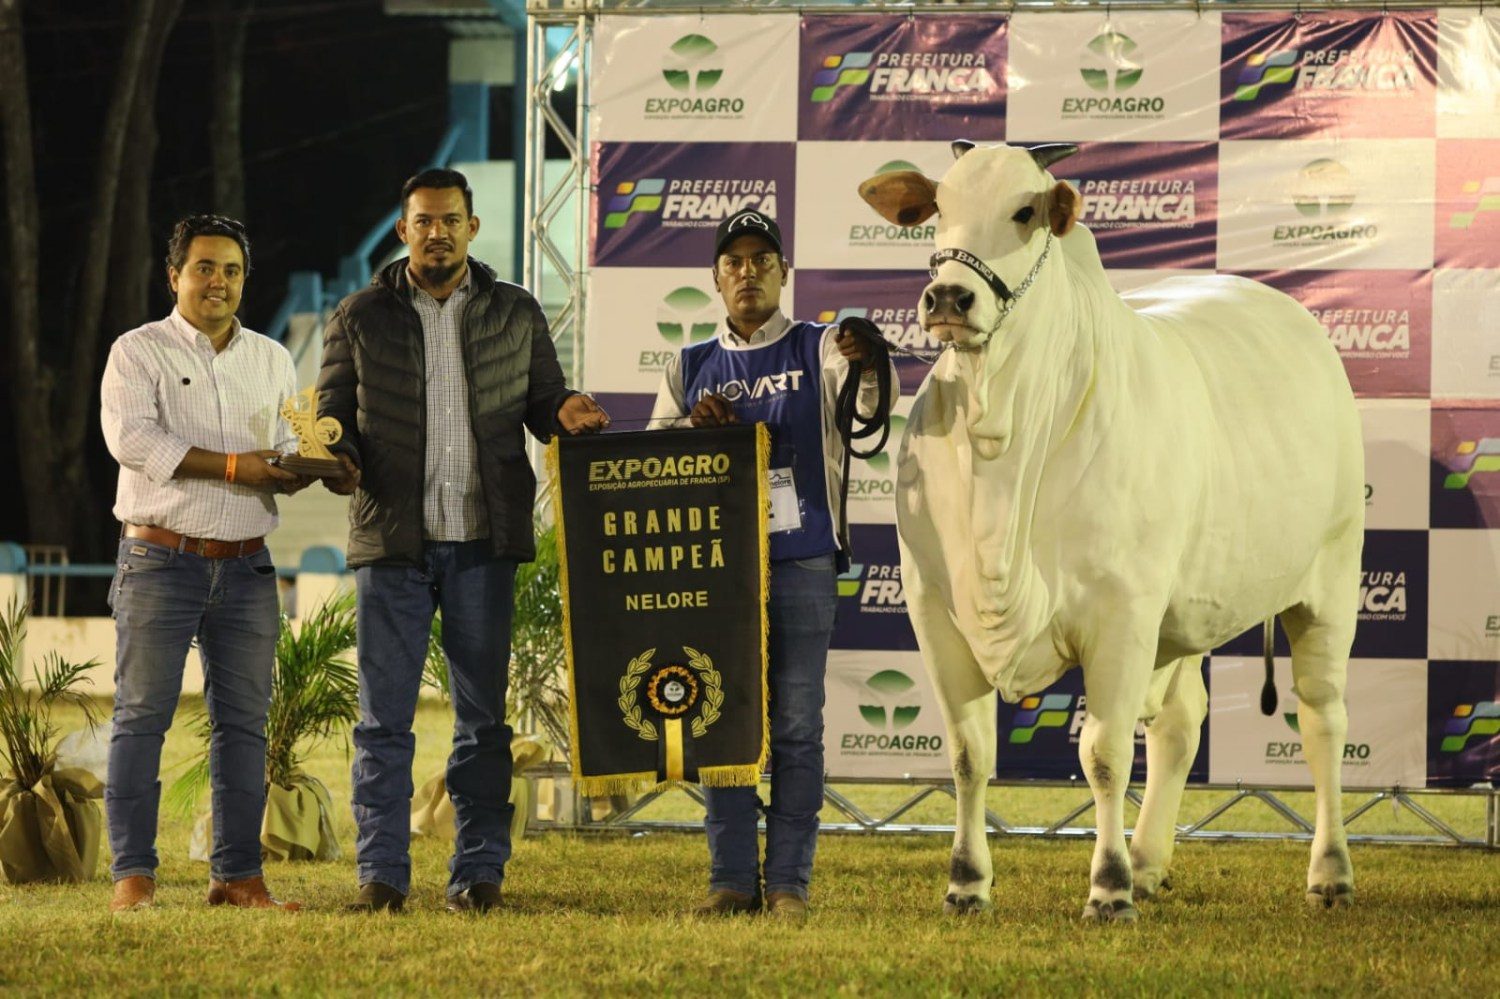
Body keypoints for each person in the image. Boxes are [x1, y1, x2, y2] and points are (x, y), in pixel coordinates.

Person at [316, 167, 609, 914]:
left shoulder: (516, 311)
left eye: (450, 219)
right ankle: (382, 876)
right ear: (403, 229)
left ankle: (479, 873)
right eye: (424, 220)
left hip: (485, 541)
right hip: (394, 546)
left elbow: (545, 399)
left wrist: (567, 409)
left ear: (472, 228)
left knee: (484, 724)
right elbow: (331, 416)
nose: (437, 231)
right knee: (384, 722)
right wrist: (335, 456)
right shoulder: (357, 315)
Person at [648, 209, 900, 921]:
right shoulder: (688, 363)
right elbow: (654, 472)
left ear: (784, 272)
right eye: (734, 262)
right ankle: (730, 879)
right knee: (723, 724)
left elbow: (871, 413)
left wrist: (872, 357)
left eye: (762, 259)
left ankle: (788, 882)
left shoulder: (821, 346)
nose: (748, 272)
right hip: (716, 569)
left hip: (803, 558)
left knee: (795, 725)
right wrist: (693, 436)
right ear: (717, 278)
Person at [99, 214, 308, 913]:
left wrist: (311, 467)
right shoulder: (137, 351)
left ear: (245, 279)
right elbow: (134, 441)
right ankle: (134, 874)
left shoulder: (273, 358)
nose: (217, 281)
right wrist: (233, 466)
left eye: (231, 270)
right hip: (160, 558)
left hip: (248, 566)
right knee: (141, 717)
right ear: (174, 275)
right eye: (204, 267)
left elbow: (287, 441)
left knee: (245, 725)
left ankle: (239, 876)